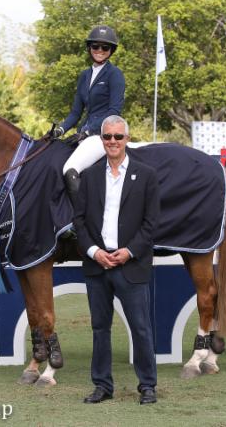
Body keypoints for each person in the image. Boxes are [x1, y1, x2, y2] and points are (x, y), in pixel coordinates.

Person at [73, 115, 160, 405]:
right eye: (107, 137)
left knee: (141, 327)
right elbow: (79, 222)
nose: (112, 141)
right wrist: (94, 252)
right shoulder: (88, 176)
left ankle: (147, 385)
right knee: (100, 329)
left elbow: (151, 223)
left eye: (118, 137)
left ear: (127, 139)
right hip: (97, 265)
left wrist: (129, 251)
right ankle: (102, 385)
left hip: (131, 265)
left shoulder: (146, 175)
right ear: (101, 140)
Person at [52, 26, 125, 200]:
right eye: (95, 47)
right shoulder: (85, 76)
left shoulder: (115, 74)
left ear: (111, 51)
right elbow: (76, 112)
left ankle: (80, 220)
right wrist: (60, 130)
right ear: (89, 49)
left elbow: (114, 110)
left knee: (70, 169)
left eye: (105, 48)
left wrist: (88, 131)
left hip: (104, 135)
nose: (99, 51)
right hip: (83, 134)